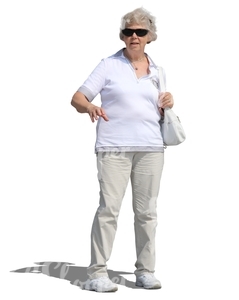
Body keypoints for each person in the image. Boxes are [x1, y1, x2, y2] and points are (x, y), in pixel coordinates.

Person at [71, 7, 174, 293]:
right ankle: (97, 273)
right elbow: (77, 97)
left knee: (147, 213)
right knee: (109, 210)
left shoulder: (158, 71)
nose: (134, 37)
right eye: (128, 32)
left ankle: (145, 271)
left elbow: (156, 108)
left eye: (140, 32)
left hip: (151, 148)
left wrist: (168, 101)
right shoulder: (108, 65)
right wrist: (90, 106)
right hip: (113, 147)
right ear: (122, 35)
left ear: (150, 36)